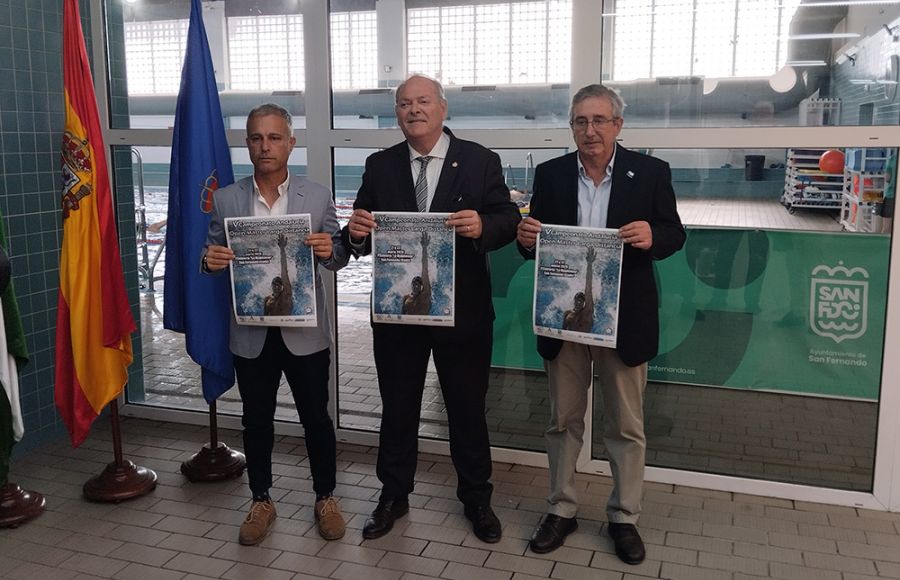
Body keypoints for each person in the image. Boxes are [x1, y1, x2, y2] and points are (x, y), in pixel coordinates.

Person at [344, 74, 520, 543]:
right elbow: (356, 235)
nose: (413, 110)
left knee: (467, 409)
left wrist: (483, 223)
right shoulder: (379, 166)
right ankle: (393, 495)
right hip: (399, 315)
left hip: (463, 316)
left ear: (442, 109)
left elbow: (507, 220)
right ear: (397, 113)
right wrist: (356, 232)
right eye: (404, 104)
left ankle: (477, 499)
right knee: (397, 408)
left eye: (422, 101)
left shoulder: (481, 161)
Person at [516, 84, 685, 565]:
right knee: (562, 421)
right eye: (579, 122)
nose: (589, 131)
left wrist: (655, 235)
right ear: (571, 126)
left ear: (617, 125)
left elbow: (675, 233)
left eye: (598, 120)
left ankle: (624, 517)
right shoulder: (549, 175)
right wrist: (526, 236)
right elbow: (534, 242)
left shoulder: (651, 173)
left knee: (625, 426)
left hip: (623, 321)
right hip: (565, 319)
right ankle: (561, 509)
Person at [202, 103, 350, 546]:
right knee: (256, 420)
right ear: (247, 143)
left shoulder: (317, 196)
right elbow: (210, 256)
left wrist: (329, 250)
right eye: (255, 138)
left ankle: (325, 497)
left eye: (273, 138)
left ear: (290, 142)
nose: (264, 147)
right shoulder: (227, 199)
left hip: (305, 332)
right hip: (251, 332)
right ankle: (261, 499)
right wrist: (209, 262)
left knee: (316, 419)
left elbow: (339, 255)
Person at [562, 247, 596, 333]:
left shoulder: (587, 312)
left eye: (581, 301)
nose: (578, 302)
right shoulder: (567, 314)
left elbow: (588, 287)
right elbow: (562, 331)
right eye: (577, 300)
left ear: (584, 303)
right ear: (574, 301)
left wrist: (589, 264)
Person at [401, 231, 432, 316]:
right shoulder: (406, 298)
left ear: (421, 286)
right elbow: (402, 316)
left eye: (418, 285)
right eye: (414, 285)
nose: (415, 287)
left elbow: (424, 268)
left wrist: (424, 248)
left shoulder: (425, 294)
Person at [264, 234, 293, 316]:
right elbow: (265, 317)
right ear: (271, 286)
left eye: (278, 285)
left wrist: (282, 249)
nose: (276, 287)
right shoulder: (267, 300)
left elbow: (284, 272)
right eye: (274, 285)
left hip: (287, 326)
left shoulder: (286, 294)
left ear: (282, 286)